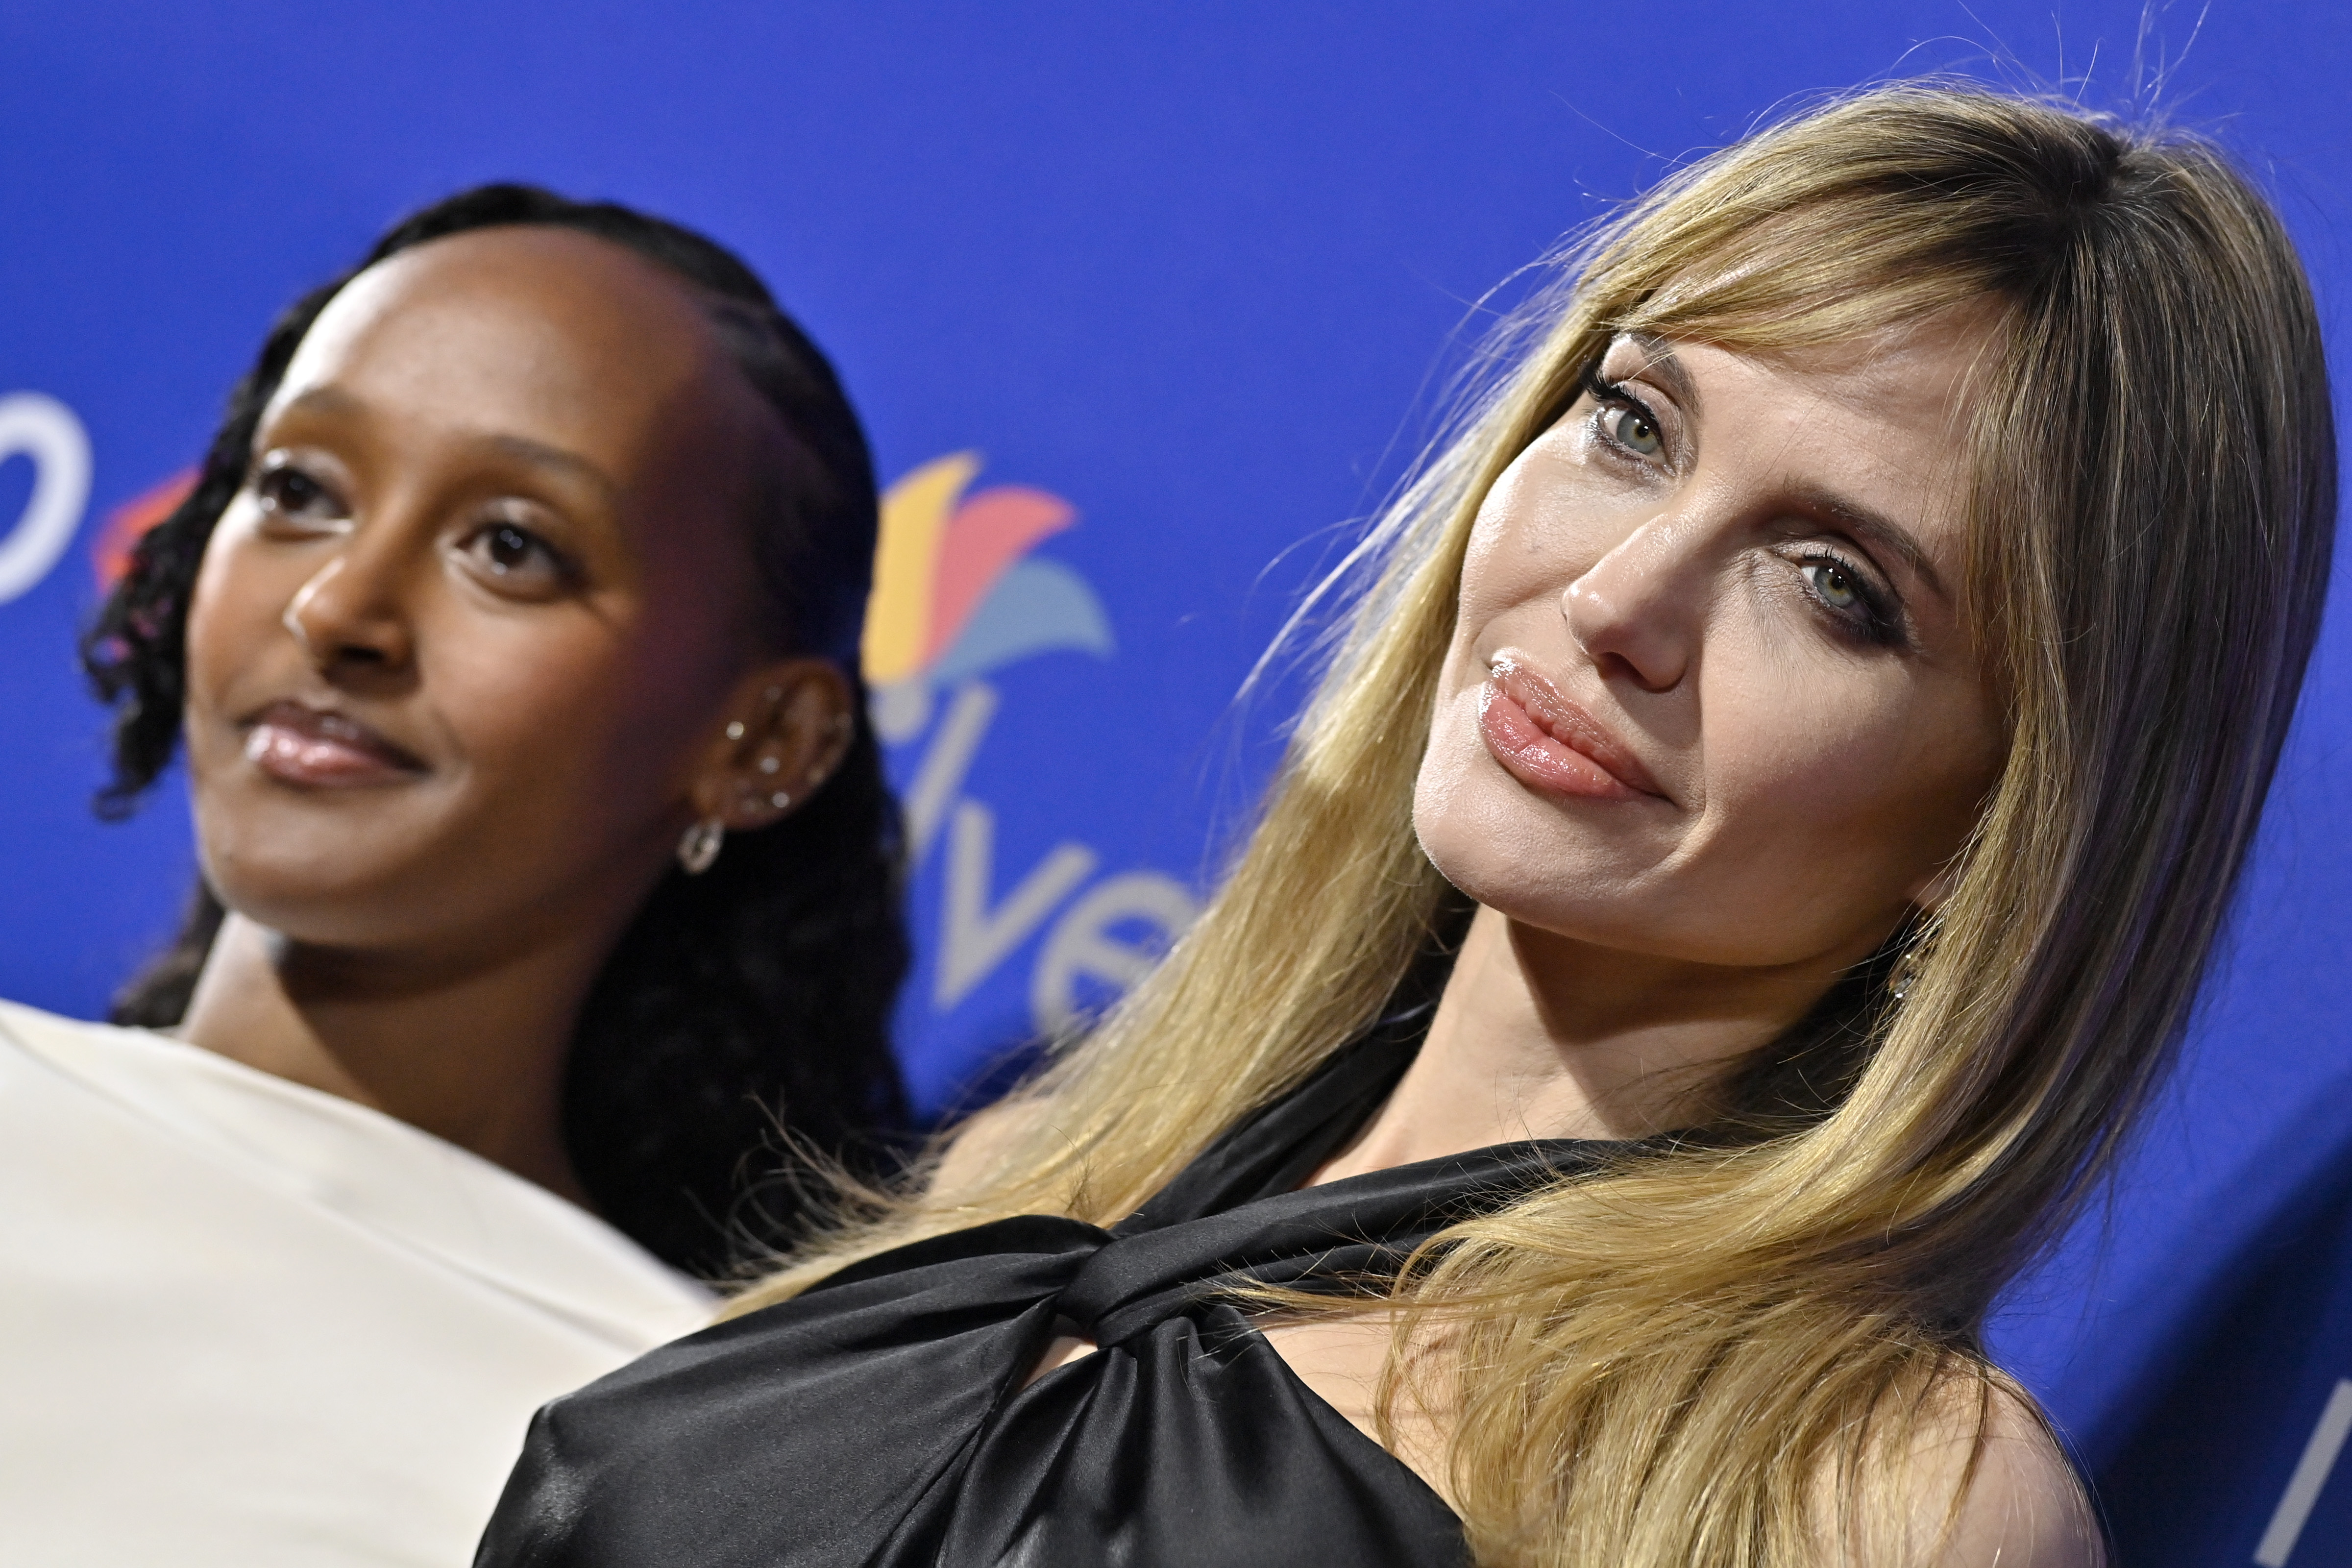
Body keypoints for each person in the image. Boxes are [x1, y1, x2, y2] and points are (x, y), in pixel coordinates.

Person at [475, 83, 2336, 1568]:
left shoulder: (1871, 1509)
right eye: (1634, 427)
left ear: (2006, 821)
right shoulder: (1036, 1168)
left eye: (1837, 586)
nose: (1622, 596)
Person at [0, 186, 909, 1567]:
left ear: (765, 740)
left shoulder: (702, 1448)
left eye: (510, 547)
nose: (338, 610)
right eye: (298, 491)